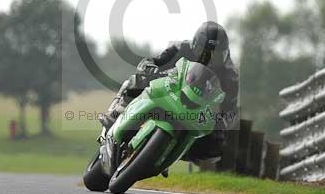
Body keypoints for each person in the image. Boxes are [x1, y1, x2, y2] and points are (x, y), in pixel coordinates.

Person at [99, 21, 239, 162]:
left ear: (225, 54)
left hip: (197, 111)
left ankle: (173, 151)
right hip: (170, 89)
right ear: (194, 45)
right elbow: (155, 61)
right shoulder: (181, 48)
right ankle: (116, 111)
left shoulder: (230, 75)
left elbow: (230, 107)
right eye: (204, 53)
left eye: (216, 56)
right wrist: (151, 68)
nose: (209, 59)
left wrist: (221, 124)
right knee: (138, 79)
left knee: (214, 148)